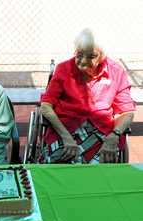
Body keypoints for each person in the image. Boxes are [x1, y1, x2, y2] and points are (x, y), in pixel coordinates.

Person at [40, 28, 136, 164]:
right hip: (65, 128)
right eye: (79, 54)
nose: (83, 61)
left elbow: (126, 111)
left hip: (102, 131)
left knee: (101, 172)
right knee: (55, 164)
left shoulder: (116, 72)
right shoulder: (63, 69)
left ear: (102, 56)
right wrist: (66, 137)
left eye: (91, 56)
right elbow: (46, 107)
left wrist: (114, 136)